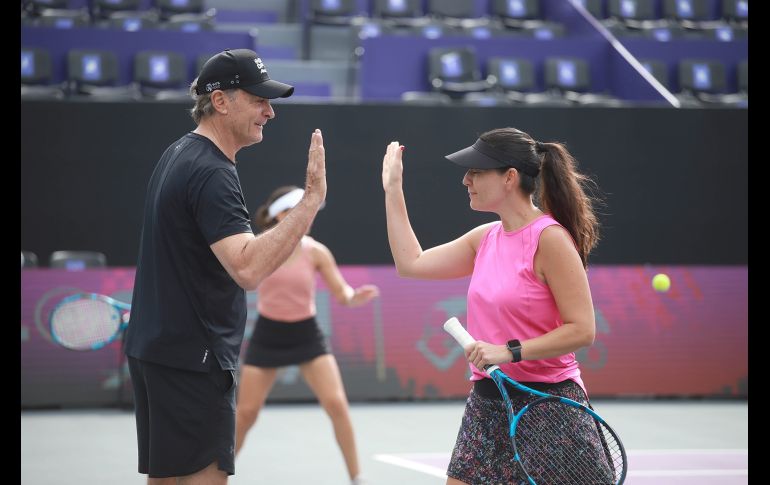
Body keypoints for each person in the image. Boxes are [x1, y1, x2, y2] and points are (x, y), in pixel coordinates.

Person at [124, 49, 328, 485]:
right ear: (220, 101)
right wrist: (310, 201)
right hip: (193, 359)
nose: (269, 112)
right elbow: (247, 269)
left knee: (166, 479)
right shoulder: (212, 171)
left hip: (158, 351)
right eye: (258, 100)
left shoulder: (178, 153)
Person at [381, 127, 603, 484]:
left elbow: (582, 330)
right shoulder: (484, 238)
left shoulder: (551, 239)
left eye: (476, 171)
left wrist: (509, 351)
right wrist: (393, 190)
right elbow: (412, 263)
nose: (466, 180)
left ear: (509, 178)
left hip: (548, 405)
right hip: (487, 402)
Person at [235, 185, 379, 484]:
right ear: (280, 215)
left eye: (309, 210)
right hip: (268, 334)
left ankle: (357, 478)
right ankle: (217, 473)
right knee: (246, 413)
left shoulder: (317, 252)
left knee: (336, 404)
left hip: (307, 334)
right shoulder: (259, 247)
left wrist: (354, 297)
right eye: (299, 209)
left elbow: (342, 293)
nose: (308, 216)